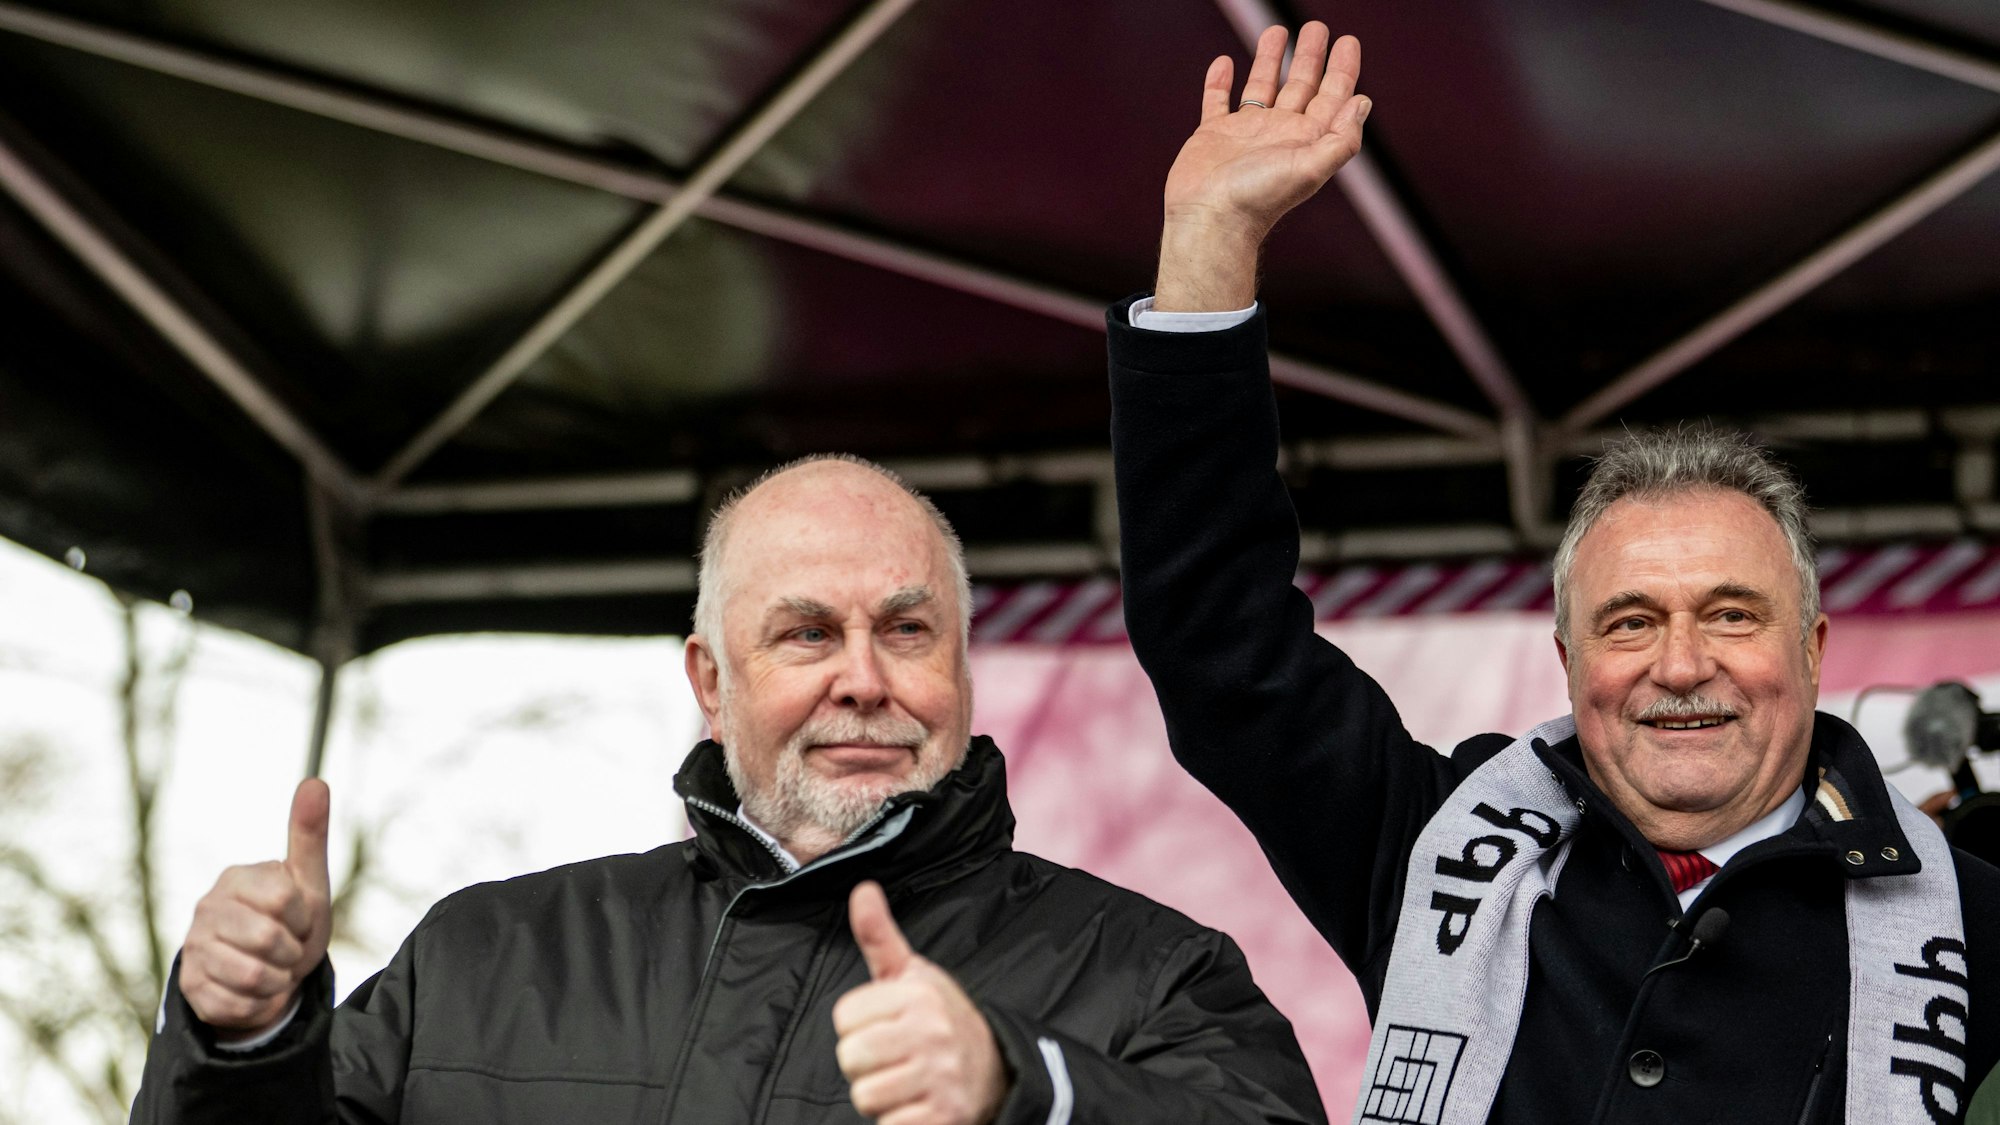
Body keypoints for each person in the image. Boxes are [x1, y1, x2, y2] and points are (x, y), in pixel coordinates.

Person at [1108, 22, 2000, 1125]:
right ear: (1568, 663)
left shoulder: (1972, 924)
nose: (1680, 664)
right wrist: (1206, 242)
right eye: (1628, 623)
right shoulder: (1428, 843)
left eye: (1729, 614)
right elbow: (1218, 645)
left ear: (1811, 651)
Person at [130, 455, 1327, 1125]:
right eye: (806, 635)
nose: (864, 681)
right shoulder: (482, 956)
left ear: (962, 668)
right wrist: (243, 1039)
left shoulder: (1155, 975)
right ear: (711, 679)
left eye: (906, 631)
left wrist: (1025, 1090)